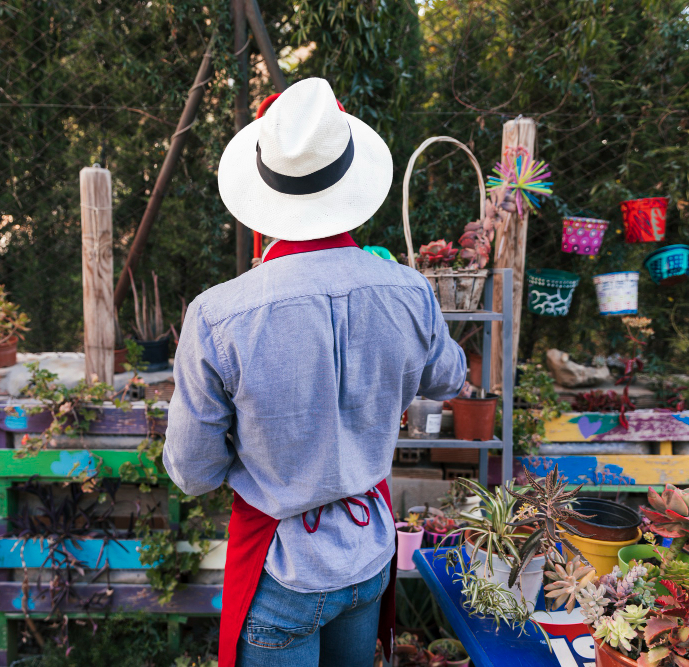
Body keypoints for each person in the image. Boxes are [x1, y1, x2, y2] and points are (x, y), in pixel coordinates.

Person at [163, 77, 467, 667]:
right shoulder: (408, 289)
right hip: (370, 554)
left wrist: (263, 451)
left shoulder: (220, 313)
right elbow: (448, 380)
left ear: (264, 188)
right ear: (350, 176)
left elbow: (193, 472)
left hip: (284, 564)